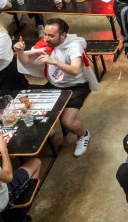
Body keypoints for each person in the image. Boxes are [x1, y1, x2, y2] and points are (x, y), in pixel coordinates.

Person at [14, 19, 96, 157]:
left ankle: (83, 135)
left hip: (76, 86)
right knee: (29, 109)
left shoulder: (74, 46)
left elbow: (75, 69)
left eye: (51, 35)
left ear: (63, 35)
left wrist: (54, 62)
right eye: (45, 34)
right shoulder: (45, 43)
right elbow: (26, 61)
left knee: (67, 122)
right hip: (55, 84)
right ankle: (48, 129)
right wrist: (20, 51)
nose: (46, 38)